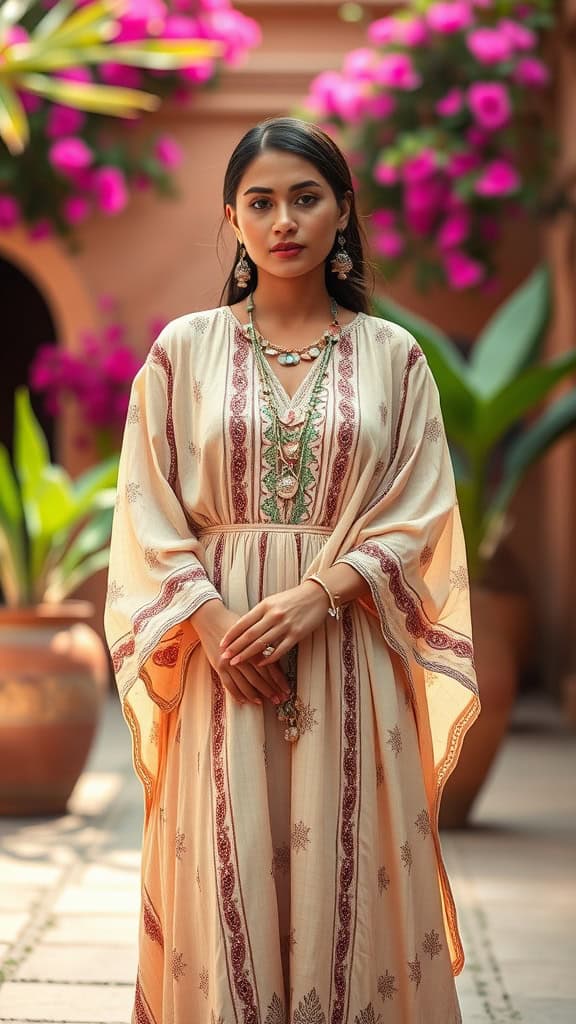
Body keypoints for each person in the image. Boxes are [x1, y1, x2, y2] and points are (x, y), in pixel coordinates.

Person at [104, 116, 479, 1024]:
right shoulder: (181, 351)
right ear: (231, 217)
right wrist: (210, 623)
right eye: (261, 202)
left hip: (349, 647)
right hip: (221, 656)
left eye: (306, 199)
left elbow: (421, 499)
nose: (284, 221)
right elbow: (145, 502)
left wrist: (321, 593)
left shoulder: (395, 358)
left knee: (346, 864)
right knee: (229, 863)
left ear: (342, 211)